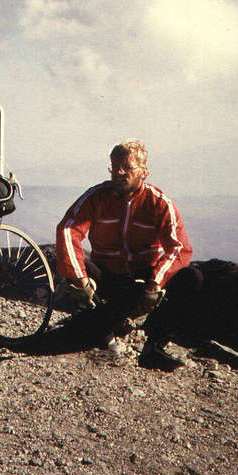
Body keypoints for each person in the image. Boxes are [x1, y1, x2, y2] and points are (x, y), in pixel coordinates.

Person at [56, 139, 203, 370]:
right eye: (115, 167)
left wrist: (156, 283)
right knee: (73, 261)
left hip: (144, 278)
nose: (119, 173)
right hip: (108, 276)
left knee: (191, 277)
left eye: (127, 167)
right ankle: (102, 328)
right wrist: (80, 279)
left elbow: (179, 248)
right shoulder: (96, 197)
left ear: (144, 172)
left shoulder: (159, 203)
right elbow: (68, 229)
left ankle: (154, 347)